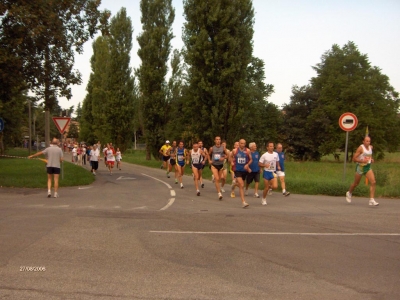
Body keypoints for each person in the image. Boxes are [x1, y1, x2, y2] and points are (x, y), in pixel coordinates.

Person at [346, 136, 379, 206]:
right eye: (366, 141)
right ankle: (349, 193)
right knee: (356, 184)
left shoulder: (371, 147)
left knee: (373, 182)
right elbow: (354, 159)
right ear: (363, 141)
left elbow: (368, 156)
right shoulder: (361, 148)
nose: (368, 142)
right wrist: (362, 161)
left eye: (369, 141)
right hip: (360, 168)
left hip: (367, 167)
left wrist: (371, 159)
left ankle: (371, 200)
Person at [230, 139, 252, 208]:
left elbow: (251, 159)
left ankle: (235, 183)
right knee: (241, 185)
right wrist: (231, 162)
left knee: (242, 185)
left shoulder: (247, 151)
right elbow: (230, 156)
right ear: (239, 143)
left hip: (244, 170)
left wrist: (247, 165)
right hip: (237, 170)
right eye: (241, 143)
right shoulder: (235, 151)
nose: (242, 145)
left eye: (244, 143)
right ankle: (243, 202)